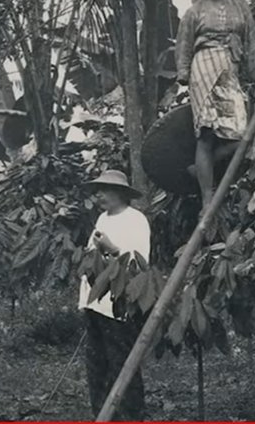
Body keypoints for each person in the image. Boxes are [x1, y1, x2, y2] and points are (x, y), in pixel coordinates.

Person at [175, 0, 255, 216]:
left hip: (230, 68)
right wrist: (182, 72)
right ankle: (207, 198)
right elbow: (184, 44)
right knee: (206, 133)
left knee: (241, 135)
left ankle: (203, 167)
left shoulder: (239, 5)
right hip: (203, 68)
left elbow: (252, 41)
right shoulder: (194, 11)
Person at [78, 170, 151, 421]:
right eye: (96, 190)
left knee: (123, 364)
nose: (98, 195)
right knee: (97, 366)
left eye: (103, 190)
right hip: (95, 304)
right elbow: (91, 259)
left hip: (120, 306)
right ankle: (102, 416)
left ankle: (131, 417)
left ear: (120, 193)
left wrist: (113, 249)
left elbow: (139, 266)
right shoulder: (102, 218)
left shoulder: (136, 219)